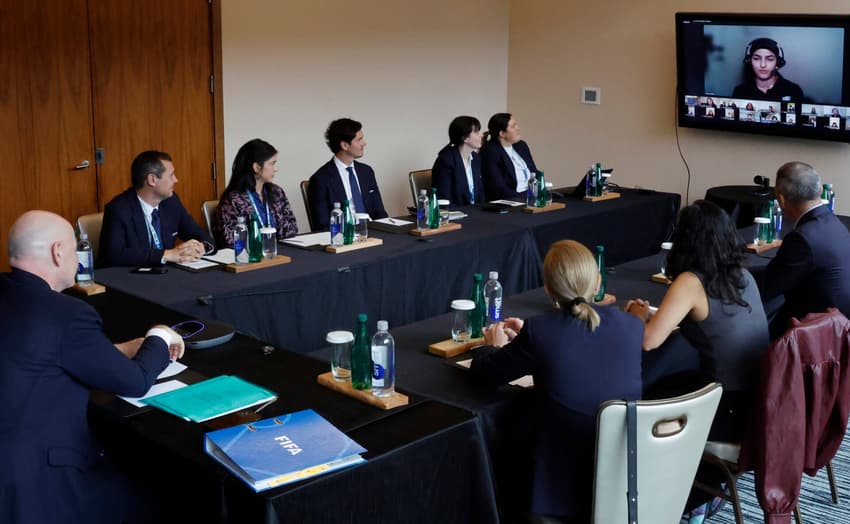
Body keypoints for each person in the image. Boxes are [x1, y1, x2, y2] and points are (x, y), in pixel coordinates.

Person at [0, 210, 184, 524]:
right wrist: (160, 336)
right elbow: (135, 381)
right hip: (43, 483)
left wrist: (120, 350)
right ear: (58, 252)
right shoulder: (67, 313)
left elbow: (39, 355)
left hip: (11, 472)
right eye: (75, 250)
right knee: (172, 494)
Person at [470, 240, 643, 522]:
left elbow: (483, 375)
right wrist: (532, 338)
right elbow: (586, 345)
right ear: (598, 282)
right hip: (620, 480)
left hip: (557, 486)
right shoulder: (633, 326)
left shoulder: (542, 332)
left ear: (549, 290)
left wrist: (491, 345)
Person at [626, 200, 769, 442]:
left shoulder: (690, 281)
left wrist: (638, 316)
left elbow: (648, 342)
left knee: (639, 398)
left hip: (723, 408)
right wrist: (658, 316)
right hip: (756, 401)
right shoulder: (742, 274)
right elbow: (715, 321)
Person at [755, 161, 850, 338]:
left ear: (781, 200)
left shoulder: (802, 239)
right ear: (820, 189)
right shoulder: (834, 223)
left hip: (815, 335)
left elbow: (767, 288)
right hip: (840, 327)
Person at [99, 150, 214, 267]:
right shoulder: (118, 209)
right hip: (133, 278)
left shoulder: (171, 202)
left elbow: (199, 234)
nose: (176, 180)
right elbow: (113, 255)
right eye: (171, 175)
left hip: (167, 276)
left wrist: (201, 247)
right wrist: (165, 255)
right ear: (152, 180)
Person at [213, 139, 298, 247]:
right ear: (257, 167)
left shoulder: (276, 192)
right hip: (251, 258)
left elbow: (292, 229)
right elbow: (230, 241)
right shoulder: (233, 200)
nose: (275, 169)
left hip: (279, 254)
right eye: (272, 164)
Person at [307, 118, 388, 230]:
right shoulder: (321, 179)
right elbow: (322, 225)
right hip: (345, 237)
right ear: (344, 145)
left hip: (373, 233)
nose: (364, 143)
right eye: (359, 140)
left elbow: (380, 212)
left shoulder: (367, 172)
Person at [479, 112, 539, 201]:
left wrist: (541, 190)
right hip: (511, 200)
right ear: (502, 133)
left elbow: (533, 171)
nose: (518, 128)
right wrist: (525, 198)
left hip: (530, 195)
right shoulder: (490, 151)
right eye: (513, 126)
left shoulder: (521, 145)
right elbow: (498, 187)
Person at [430, 116, 484, 205]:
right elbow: (443, 198)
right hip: (456, 214)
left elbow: (480, 194)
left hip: (474, 212)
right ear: (465, 138)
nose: (481, 135)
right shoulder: (446, 160)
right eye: (476, 132)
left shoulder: (476, 158)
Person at [732, 37, 804, 101]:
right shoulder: (740, 91)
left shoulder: (793, 90)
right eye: (757, 58)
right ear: (749, 61)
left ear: (777, 63)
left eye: (770, 59)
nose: (763, 65)